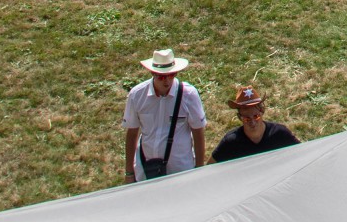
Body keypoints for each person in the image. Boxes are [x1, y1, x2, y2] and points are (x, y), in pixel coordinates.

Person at [123, 49, 207, 180]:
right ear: (152, 73)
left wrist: (199, 168)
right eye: (161, 76)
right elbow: (132, 133)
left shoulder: (189, 95)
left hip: (181, 170)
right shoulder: (137, 95)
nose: (167, 80)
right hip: (146, 170)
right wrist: (129, 173)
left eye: (171, 75)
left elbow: (198, 132)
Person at [211, 84, 300, 162]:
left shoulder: (280, 134)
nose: (252, 122)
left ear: (262, 112)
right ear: (239, 117)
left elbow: (303, 154)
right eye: (247, 118)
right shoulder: (231, 142)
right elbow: (209, 169)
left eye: (256, 116)